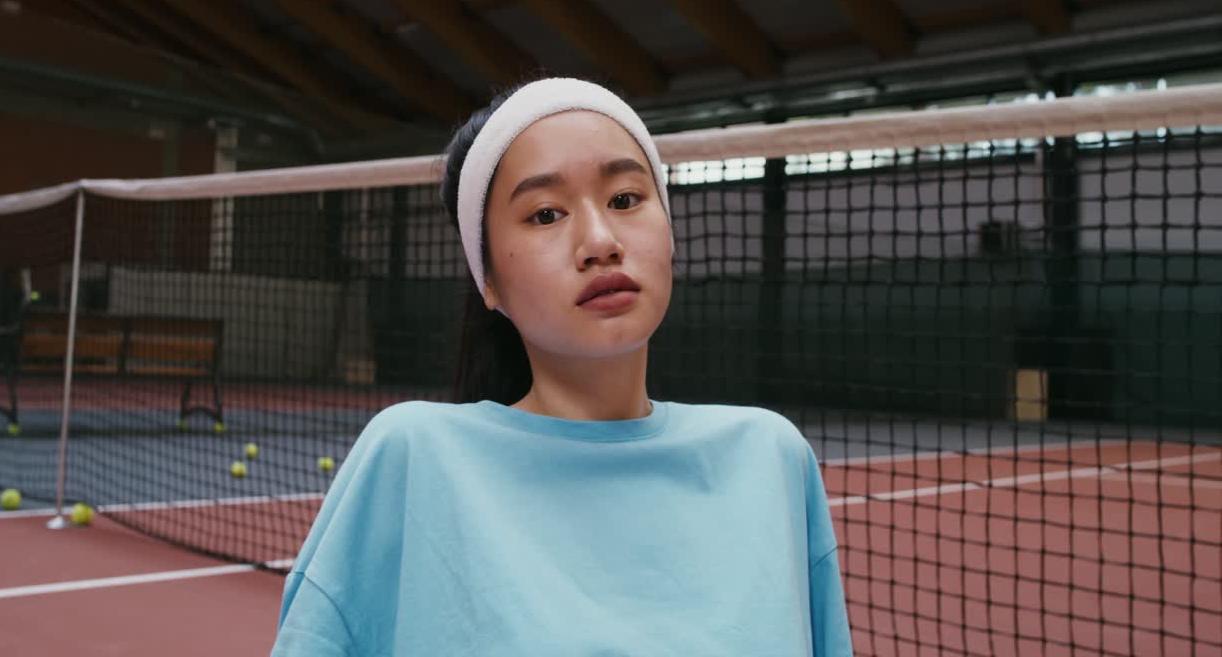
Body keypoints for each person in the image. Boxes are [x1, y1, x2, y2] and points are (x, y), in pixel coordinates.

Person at [272, 77, 852, 656]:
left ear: (670, 232)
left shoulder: (773, 459)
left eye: (625, 199)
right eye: (546, 213)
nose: (600, 241)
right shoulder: (411, 455)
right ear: (488, 280)